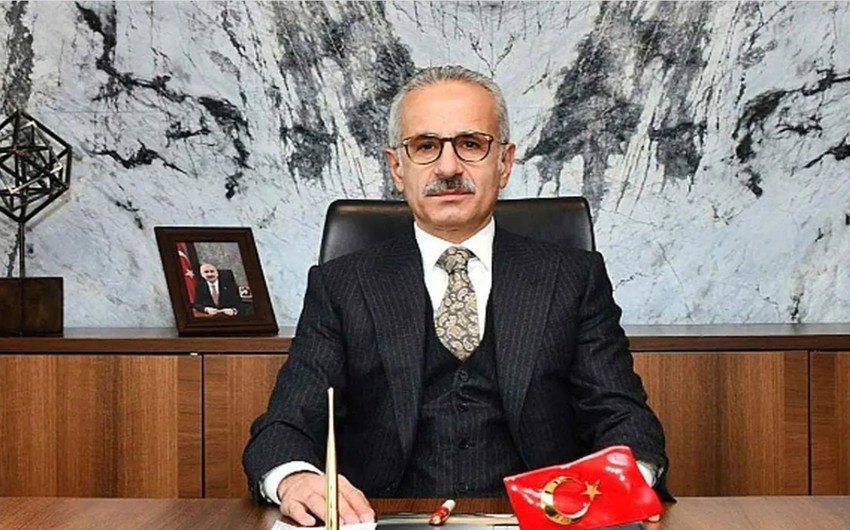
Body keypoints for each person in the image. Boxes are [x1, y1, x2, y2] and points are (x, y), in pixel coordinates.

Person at [243, 65, 670, 526]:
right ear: (397, 167)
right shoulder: (340, 285)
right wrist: (296, 479)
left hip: (542, 522)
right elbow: (284, 426)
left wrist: (620, 486)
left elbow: (623, 417)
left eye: (470, 144)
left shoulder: (573, 277)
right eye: (425, 146)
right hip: (382, 519)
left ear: (504, 163)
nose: (448, 168)